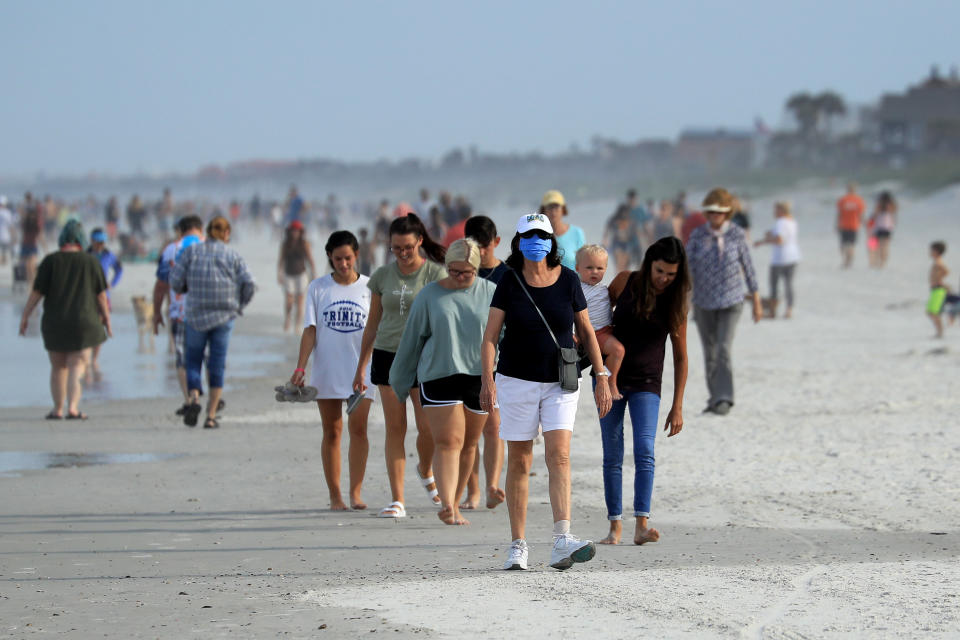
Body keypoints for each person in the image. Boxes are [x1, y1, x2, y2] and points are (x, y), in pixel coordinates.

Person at [479, 212, 612, 571]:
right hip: (516, 381)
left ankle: (561, 540)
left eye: (542, 235)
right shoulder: (508, 281)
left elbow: (585, 331)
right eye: (529, 235)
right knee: (521, 459)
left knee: (560, 456)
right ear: (519, 242)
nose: (536, 241)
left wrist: (601, 375)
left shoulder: (568, 279)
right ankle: (518, 545)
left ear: (551, 241)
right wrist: (487, 379)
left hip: (560, 382)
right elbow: (491, 336)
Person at [389, 239, 496, 525]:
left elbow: (507, 337)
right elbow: (412, 339)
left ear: (477, 269)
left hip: (479, 376)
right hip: (438, 372)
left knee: (470, 443)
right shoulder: (429, 295)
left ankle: (456, 501)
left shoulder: (491, 293)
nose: (460, 277)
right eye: (454, 271)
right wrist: (399, 380)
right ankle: (448, 503)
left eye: (467, 273)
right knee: (449, 441)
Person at [596, 236, 690, 546]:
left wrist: (677, 406)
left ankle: (641, 524)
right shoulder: (625, 282)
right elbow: (596, 314)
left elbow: (680, 355)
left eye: (672, 274)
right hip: (611, 377)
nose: (665, 279)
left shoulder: (676, 300)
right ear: (649, 263)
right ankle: (614, 527)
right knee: (612, 453)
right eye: (660, 271)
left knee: (645, 451)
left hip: (649, 382)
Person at [352, 213, 447, 518]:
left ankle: (425, 467)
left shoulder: (434, 274)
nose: (403, 254)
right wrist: (361, 366)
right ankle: (398, 500)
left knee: (428, 427)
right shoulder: (381, 276)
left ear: (420, 241)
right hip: (387, 355)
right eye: (396, 248)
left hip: (424, 357)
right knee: (395, 427)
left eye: (408, 247)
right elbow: (373, 323)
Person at [291, 231, 375, 510]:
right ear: (329, 257)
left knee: (359, 429)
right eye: (338, 258)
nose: (343, 264)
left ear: (356, 255)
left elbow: (375, 331)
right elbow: (310, 330)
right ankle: (335, 495)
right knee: (332, 431)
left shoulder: (370, 287)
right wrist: (301, 366)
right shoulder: (318, 288)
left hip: (361, 370)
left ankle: (356, 492)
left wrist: (365, 366)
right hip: (327, 369)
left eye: (348, 258)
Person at [19, 220, 111, 420]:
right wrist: (106, 319)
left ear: (62, 239)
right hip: (84, 322)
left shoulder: (50, 261)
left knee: (58, 367)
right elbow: (101, 296)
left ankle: (58, 409)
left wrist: (25, 316)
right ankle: (74, 408)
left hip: (55, 322)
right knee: (77, 366)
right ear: (81, 240)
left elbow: (36, 293)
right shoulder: (91, 262)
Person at [170, 216, 255, 429]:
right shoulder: (232, 255)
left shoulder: (191, 252)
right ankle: (210, 416)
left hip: (196, 315)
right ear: (227, 234)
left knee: (193, 360)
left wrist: (183, 289)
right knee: (217, 363)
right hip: (224, 316)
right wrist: (239, 305)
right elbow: (249, 283)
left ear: (207, 232)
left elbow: (175, 281)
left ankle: (195, 398)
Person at [685, 188, 762, 416]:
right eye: (711, 212)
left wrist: (756, 300)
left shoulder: (737, 234)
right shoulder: (698, 235)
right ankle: (715, 397)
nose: (715, 217)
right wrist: (684, 299)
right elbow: (688, 268)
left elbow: (748, 267)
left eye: (719, 212)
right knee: (709, 352)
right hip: (703, 302)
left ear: (727, 213)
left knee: (723, 348)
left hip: (732, 300)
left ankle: (725, 397)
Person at [461, 215, 508, 510]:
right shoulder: (461, 274)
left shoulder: (508, 275)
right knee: (469, 432)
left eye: (485, 247)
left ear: (496, 243)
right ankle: (473, 491)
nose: (480, 252)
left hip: (501, 361)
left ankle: (492, 485)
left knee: (493, 426)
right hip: (465, 360)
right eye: (475, 247)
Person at [154, 216, 205, 414]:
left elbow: (161, 285)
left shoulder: (170, 250)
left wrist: (157, 312)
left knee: (183, 358)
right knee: (207, 357)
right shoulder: (211, 246)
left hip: (180, 312)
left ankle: (191, 399)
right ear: (200, 229)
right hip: (208, 311)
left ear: (180, 231)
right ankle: (211, 398)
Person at [575, 245, 626, 399]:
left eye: (599, 268)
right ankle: (610, 382)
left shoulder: (603, 288)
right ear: (578, 268)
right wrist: (574, 334)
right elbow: (570, 312)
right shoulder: (578, 289)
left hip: (607, 329)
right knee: (618, 351)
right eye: (589, 267)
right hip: (594, 333)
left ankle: (608, 376)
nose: (595, 272)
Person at [86, 228, 123, 380]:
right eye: (98, 242)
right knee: (88, 325)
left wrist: (112, 283)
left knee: (101, 324)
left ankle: (95, 358)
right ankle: (86, 356)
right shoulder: (86, 254)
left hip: (104, 294)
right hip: (87, 294)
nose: (100, 245)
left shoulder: (108, 255)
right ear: (92, 241)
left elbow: (119, 269)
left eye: (102, 242)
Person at [754, 201, 801, 319]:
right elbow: (781, 236)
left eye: (775, 210)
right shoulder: (792, 221)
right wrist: (769, 235)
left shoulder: (780, 222)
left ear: (781, 211)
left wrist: (762, 242)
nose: (773, 212)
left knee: (774, 284)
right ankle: (789, 309)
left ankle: (772, 311)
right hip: (793, 256)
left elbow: (779, 240)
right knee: (789, 285)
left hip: (780, 258)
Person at [278, 220, 316, 332]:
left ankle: (297, 325)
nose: (295, 233)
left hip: (301, 275)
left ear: (300, 232)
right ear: (289, 232)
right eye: (293, 231)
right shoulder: (285, 244)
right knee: (289, 300)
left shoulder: (304, 244)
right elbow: (281, 260)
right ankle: (287, 319)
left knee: (300, 302)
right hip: (288, 274)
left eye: (297, 231)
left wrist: (313, 274)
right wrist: (279, 274)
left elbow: (310, 259)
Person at [540, 190, 585, 270]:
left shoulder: (577, 233)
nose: (553, 211)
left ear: (563, 209)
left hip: (574, 281)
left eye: (556, 206)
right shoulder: (538, 235)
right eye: (549, 207)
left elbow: (585, 263)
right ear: (543, 210)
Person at [603, 205, 641, 272]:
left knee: (625, 264)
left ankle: (623, 277)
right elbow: (607, 230)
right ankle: (619, 277)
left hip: (628, 243)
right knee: (620, 263)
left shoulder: (631, 220)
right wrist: (605, 240)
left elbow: (636, 233)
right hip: (617, 243)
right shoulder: (614, 220)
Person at [836, 182, 866, 268]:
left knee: (844, 244)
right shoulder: (859, 200)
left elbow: (839, 214)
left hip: (843, 225)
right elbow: (861, 215)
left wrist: (837, 224)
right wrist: (865, 224)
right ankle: (850, 260)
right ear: (855, 190)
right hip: (854, 225)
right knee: (852, 244)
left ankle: (846, 260)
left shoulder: (843, 200)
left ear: (847, 189)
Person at [19, 192, 44, 289]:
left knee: (27, 266)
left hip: (26, 243)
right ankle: (32, 284)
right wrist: (45, 247)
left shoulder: (25, 221)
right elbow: (41, 235)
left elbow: (22, 228)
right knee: (32, 266)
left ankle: (30, 284)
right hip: (32, 244)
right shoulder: (36, 221)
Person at [927, 241, 950, 338]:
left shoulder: (938, 262)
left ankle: (940, 333)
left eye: (931, 250)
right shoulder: (936, 262)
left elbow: (946, 271)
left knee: (934, 312)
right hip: (935, 289)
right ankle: (939, 332)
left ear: (936, 251)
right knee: (931, 312)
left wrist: (940, 279)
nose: (929, 252)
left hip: (938, 289)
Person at [870, 191, 897, 268]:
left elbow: (874, 216)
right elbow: (893, 217)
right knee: (885, 246)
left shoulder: (879, 205)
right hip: (888, 228)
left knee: (877, 246)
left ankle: (878, 261)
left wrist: (870, 225)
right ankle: (883, 262)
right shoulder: (891, 206)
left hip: (878, 228)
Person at [0, 195, 14, 266]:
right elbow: (10, 226)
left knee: (2, 251)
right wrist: (13, 235)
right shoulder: (7, 213)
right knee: (5, 251)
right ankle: (3, 262)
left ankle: (2, 262)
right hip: (5, 235)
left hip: (2, 235)